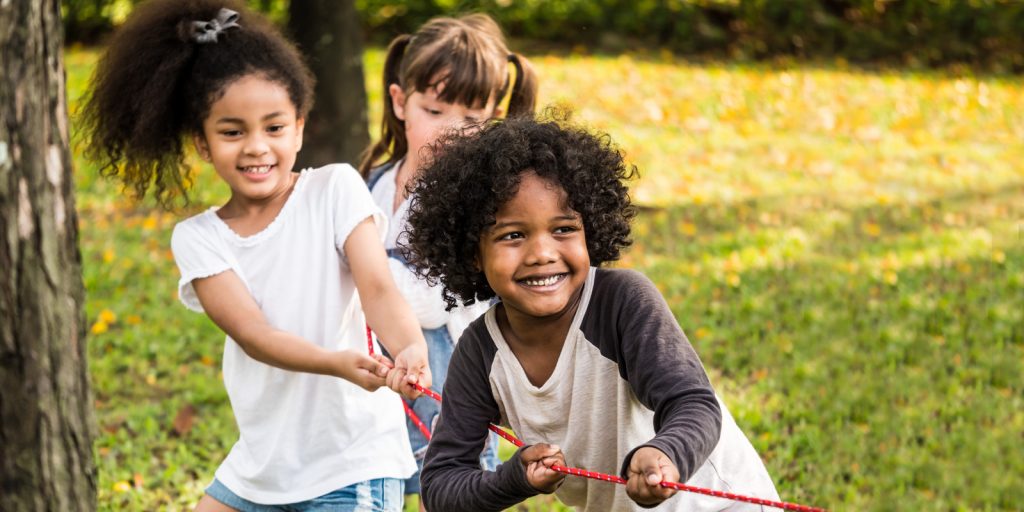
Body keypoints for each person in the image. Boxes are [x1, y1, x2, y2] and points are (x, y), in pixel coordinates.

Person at [81, 1, 430, 510]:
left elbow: (378, 288)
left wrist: (411, 348)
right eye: (232, 131)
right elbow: (255, 334)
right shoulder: (199, 238)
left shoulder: (335, 189)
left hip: (349, 459)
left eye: (274, 127)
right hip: (262, 466)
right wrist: (337, 362)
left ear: (300, 128)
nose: (256, 147)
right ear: (202, 142)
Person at [404, 115, 780, 511]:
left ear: (590, 230)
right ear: (472, 253)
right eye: (513, 235)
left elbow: (693, 402)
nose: (543, 253)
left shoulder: (620, 303)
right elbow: (441, 486)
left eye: (563, 229)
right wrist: (512, 478)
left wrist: (666, 453)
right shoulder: (481, 353)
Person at [358, 13, 538, 502]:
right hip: (382, 383)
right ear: (400, 102)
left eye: (473, 119)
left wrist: (357, 268)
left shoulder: (473, 198)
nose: (452, 132)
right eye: (435, 111)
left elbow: (431, 299)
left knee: (455, 490)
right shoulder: (374, 181)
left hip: (450, 385)